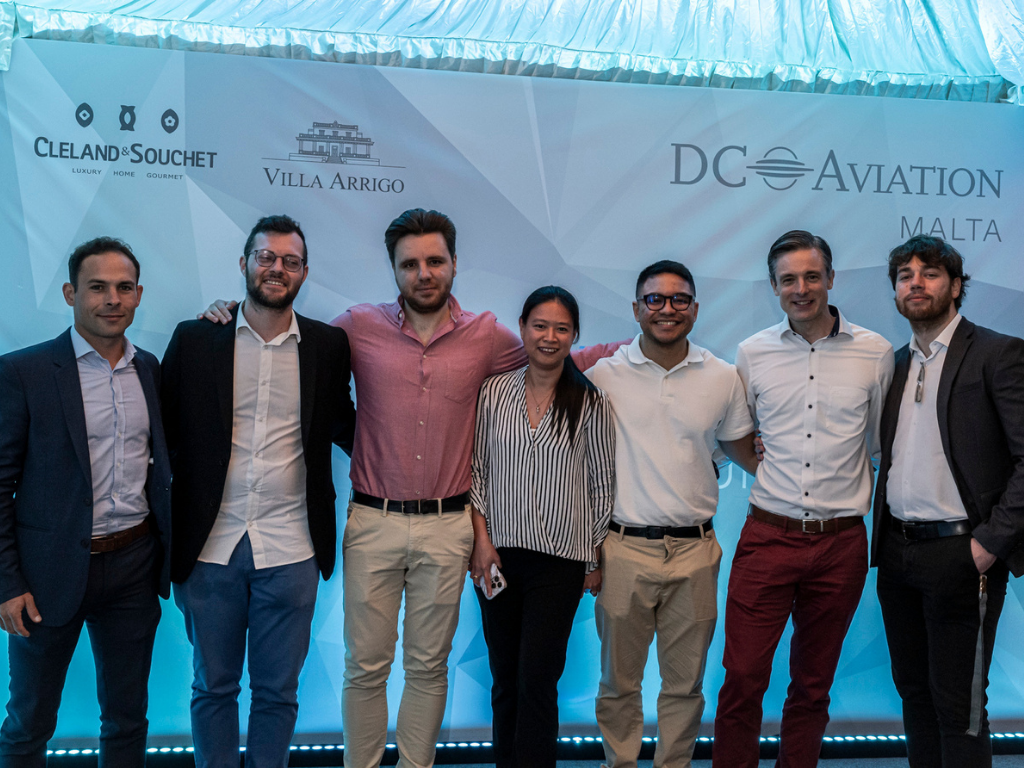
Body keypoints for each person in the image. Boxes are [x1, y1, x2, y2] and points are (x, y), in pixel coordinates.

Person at [200, 207, 620, 768]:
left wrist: (641, 346)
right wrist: (230, 313)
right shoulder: (356, 326)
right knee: (364, 668)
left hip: (449, 527)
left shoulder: (487, 336)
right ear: (394, 269)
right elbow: (290, 334)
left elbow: (555, 352)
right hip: (372, 522)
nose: (424, 273)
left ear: (454, 264)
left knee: (428, 667)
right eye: (410, 264)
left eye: (435, 261)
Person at [162, 214, 355, 768]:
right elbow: (163, 431)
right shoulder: (197, 338)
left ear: (304, 273)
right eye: (266, 257)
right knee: (213, 687)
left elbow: (346, 425)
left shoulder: (328, 345)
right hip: (209, 547)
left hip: (292, 547)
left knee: (278, 693)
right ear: (244, 263)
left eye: (290, 261)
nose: (277, 268)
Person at [713, 230, 894, 768]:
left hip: (840, 545)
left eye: (812, 276)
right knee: (742, 678)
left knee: (813, 685)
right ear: (773, 286)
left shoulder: (876, 353)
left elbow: (879, 445)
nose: (801, 288)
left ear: (831, 279)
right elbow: (738, 434)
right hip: (768, 537)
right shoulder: (752, 353)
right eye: (788, 279)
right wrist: (769, 472)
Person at [0, 237, 171, 767]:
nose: (112, 299)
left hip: (134, 567)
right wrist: (7, 582)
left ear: (138, 295)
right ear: (71, 293)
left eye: (124, 287)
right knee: (29, 721)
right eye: (97, 287)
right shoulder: (24, 372)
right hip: (46, 574)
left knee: (128, 718)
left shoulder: (151, 370)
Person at [587, 260, 758, 768]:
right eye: (655, 299)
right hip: (622, 549)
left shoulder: (722, 377)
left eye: (679, 299)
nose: (667, 308)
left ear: (695, 308)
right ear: (636, 308)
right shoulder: (603, 376)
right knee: (618, 683)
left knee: (685, 685)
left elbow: (743, 450)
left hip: (695, 551)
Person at [872, 235, 1024, 766]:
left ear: (956, 287)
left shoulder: (997, 353)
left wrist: (989, 543)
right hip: (897, 555)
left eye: (930, 273)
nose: (916, 283)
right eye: (905, 275)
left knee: (959, 708)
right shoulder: (894, 365)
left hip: (962, 555)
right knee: (914, 695)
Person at [469, 286, 615, 768]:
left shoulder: (591, 401)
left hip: (560, 564)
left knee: (537, 680)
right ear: (523, 328)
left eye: (561, 328)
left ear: (574, 335)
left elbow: (601, 485)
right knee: (504, 679)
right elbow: (477, 472)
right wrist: (481, 542)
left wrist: (593, 559)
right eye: (540, 325)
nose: (549, 337)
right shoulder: (493, 392)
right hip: (498, 558)